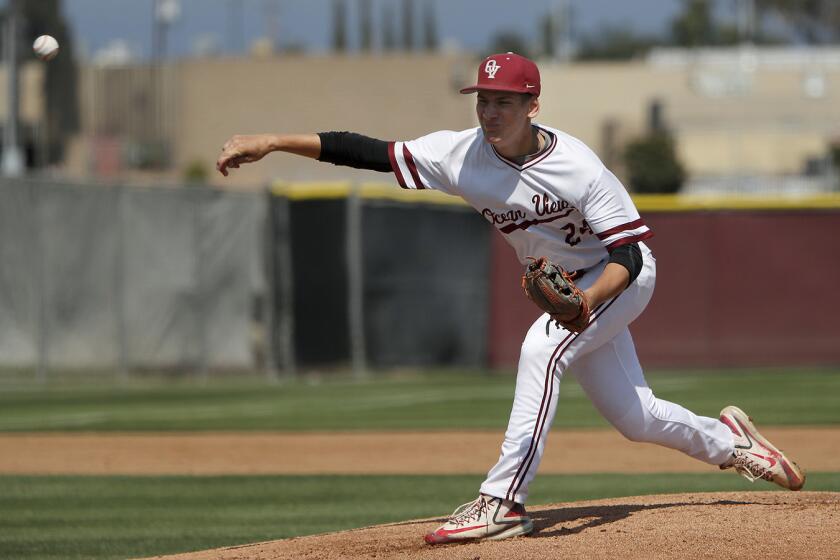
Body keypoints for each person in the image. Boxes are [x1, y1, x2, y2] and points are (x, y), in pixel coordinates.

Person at [216, 52, 805, 545]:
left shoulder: (578, 166)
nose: (490, 112)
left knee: (541, 349)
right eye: (483, 100)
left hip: (618, 278)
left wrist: (582, 302)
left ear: (533, 106)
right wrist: (273, 141)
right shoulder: (460, 155)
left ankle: (502, 500)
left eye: (504, 101)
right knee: (636, 418)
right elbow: (366, 150)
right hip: (572, 291)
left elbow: (628, 256)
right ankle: (735, 444)